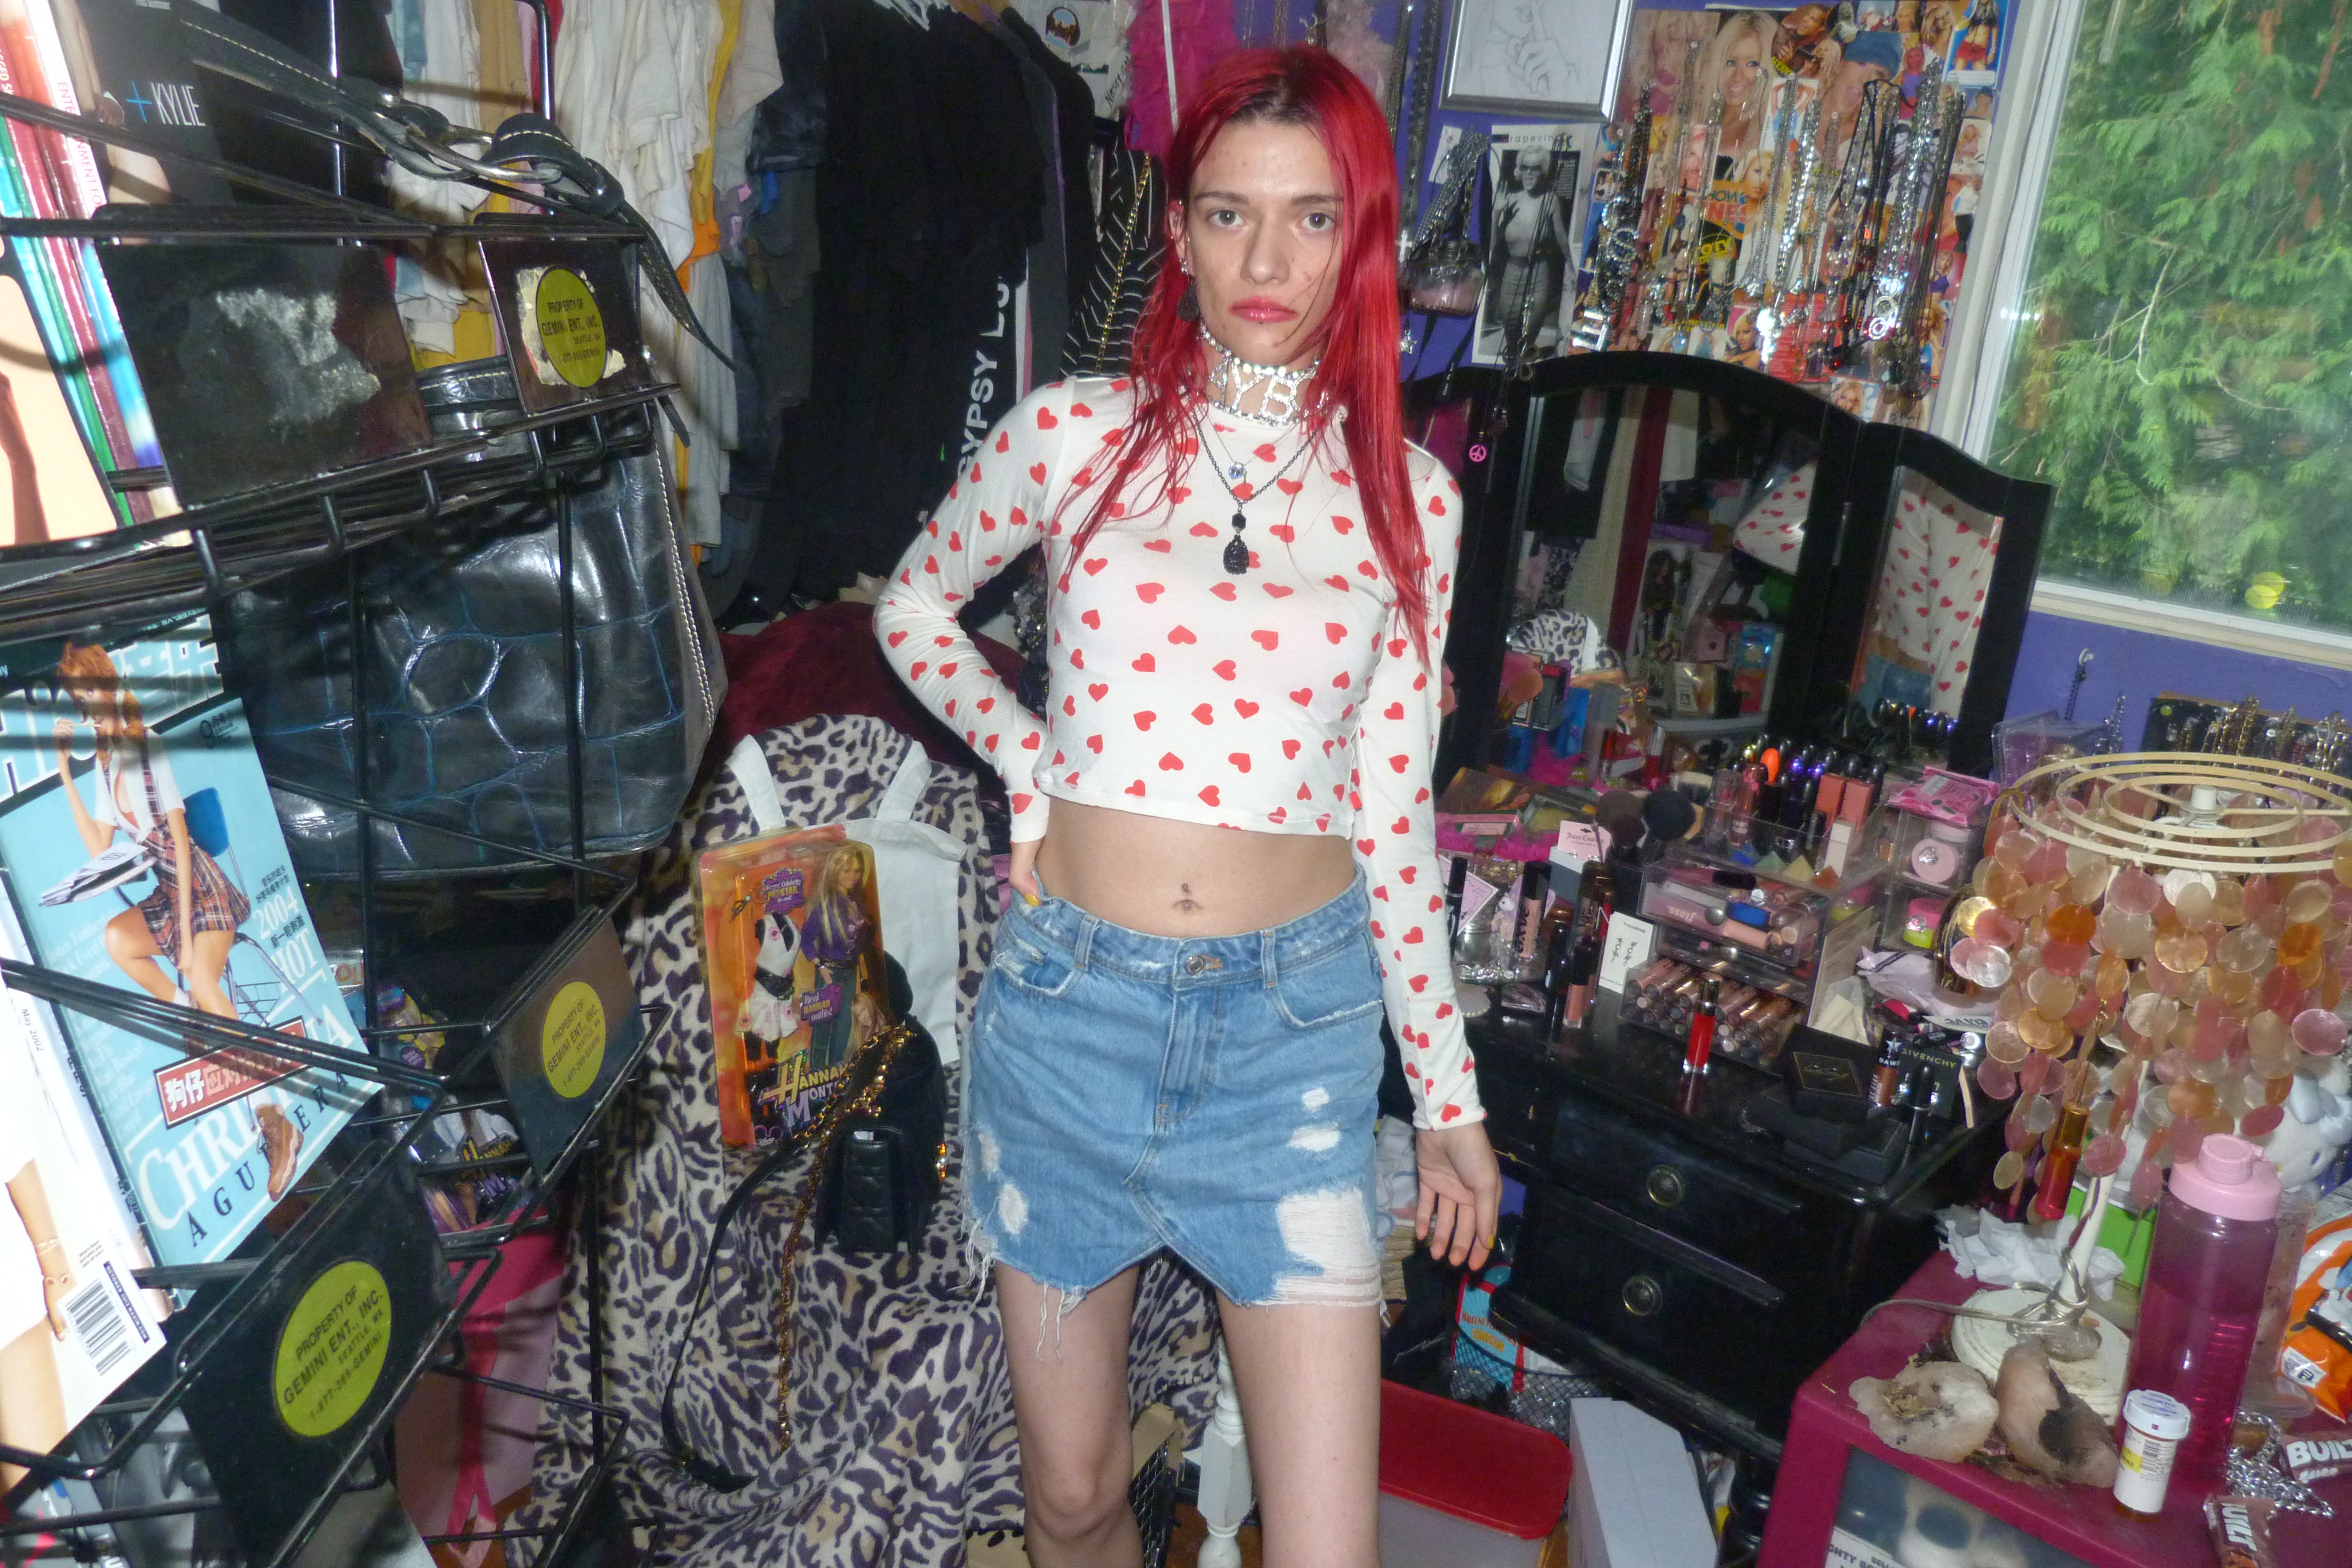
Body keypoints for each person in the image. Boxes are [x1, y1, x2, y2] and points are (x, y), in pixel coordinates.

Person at [876, 46, 1498, 1568]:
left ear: (1361, 239)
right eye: (1229, 215)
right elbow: (914, 608)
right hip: (1069, 1021)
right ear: (1179, 232)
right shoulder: (1071, 434)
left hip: (1290, 1048)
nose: (1267, 262)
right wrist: (1029, 761)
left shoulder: (1412, 500)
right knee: (1073, 1499)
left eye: (1310, 218)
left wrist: (1450, 1103)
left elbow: (1394, 821)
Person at [50, 642, 302, 1198]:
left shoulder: (149, 747)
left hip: (200, 887)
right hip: (167, 890)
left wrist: (186, 939)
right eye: (80, 700)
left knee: (207, 980)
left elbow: (183, 847)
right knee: (117, 939)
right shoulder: (105, 764)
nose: (88, 709)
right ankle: (193, 1015)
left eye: (92, 695)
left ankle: (273, 1116)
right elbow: (97, 845)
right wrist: (67, 770)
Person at [1481, 146, 1578, 362]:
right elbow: (1492, 246)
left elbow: (1561, 238)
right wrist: (1496, 213)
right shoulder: (1510, 199)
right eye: (1525, 168)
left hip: (1539, 273)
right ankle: (1512, 362)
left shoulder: (1550, 200)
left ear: (1543, 172)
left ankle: (1525, 362)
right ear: (1519, 170)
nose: (1529, 173)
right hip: (1512, 271)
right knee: (1510, 326)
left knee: (1532, 328)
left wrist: (1571, 269)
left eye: (1535, 168)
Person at [798, 841, 874, 1073]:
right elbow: (806, 939)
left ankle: (837, 1065)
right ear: (834, 872)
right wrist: (820, 967)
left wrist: (862, 970)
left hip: (850, 971)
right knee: (824, 1020)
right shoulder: (825, 907)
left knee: (845, 1021)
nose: (853, 876)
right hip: (830, 970)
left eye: (857, 871)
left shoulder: (854, 903)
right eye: (846, 870)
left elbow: (859, 943)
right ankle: (818, 1069)